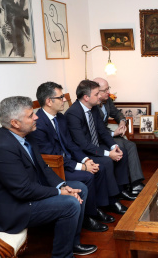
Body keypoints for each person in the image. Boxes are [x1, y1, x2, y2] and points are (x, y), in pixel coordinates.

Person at [0, 96, 97, 257]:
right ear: (15, 123)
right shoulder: (2, 148)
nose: (36, 117)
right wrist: (59, 193)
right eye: (30, 115)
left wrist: (62, 186)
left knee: (80, 188)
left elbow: (44, 168)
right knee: (70, 203)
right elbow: (23, 190)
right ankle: (62, 255)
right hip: (11, 208)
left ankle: (72, 243)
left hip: (26, 196)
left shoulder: (25, 136)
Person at [27, 82, 118, 233]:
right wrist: (82, 167)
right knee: (87, 176)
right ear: (49, 101)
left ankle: (97, 208)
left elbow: (71, 144)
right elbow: (53, 157)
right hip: (55, 168)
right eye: (61, 97)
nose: (64, 100)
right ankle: (88, 217)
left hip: (67, 161)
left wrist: (86, 160)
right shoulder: (39, 124)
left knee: (97, 167)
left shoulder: (60, 118)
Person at [65, 80, 137, 210]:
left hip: (95, 146)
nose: (100, 96)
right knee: (107, 161)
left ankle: (120, 190)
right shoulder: (73, 114)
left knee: (122, 151)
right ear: (86, 97)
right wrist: (108, 154)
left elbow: (102, 132)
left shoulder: (93, 108)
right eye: (97, 94)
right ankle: (111, 200)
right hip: (83, 152)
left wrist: (112, 147)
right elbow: (83, 144)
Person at [93, 77, 145, 195]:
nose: (108, 92)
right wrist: (113, 133)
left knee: (131, 145)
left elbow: (116, 113)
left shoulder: (107, 100)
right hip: (100, 137)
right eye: (105, 90)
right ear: (96, 91)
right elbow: (96, 130)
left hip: (107, 133)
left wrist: (122, 122)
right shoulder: (92, 105)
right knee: (121, 146)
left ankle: (136, 183)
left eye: (108, 88)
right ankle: (123, 186)